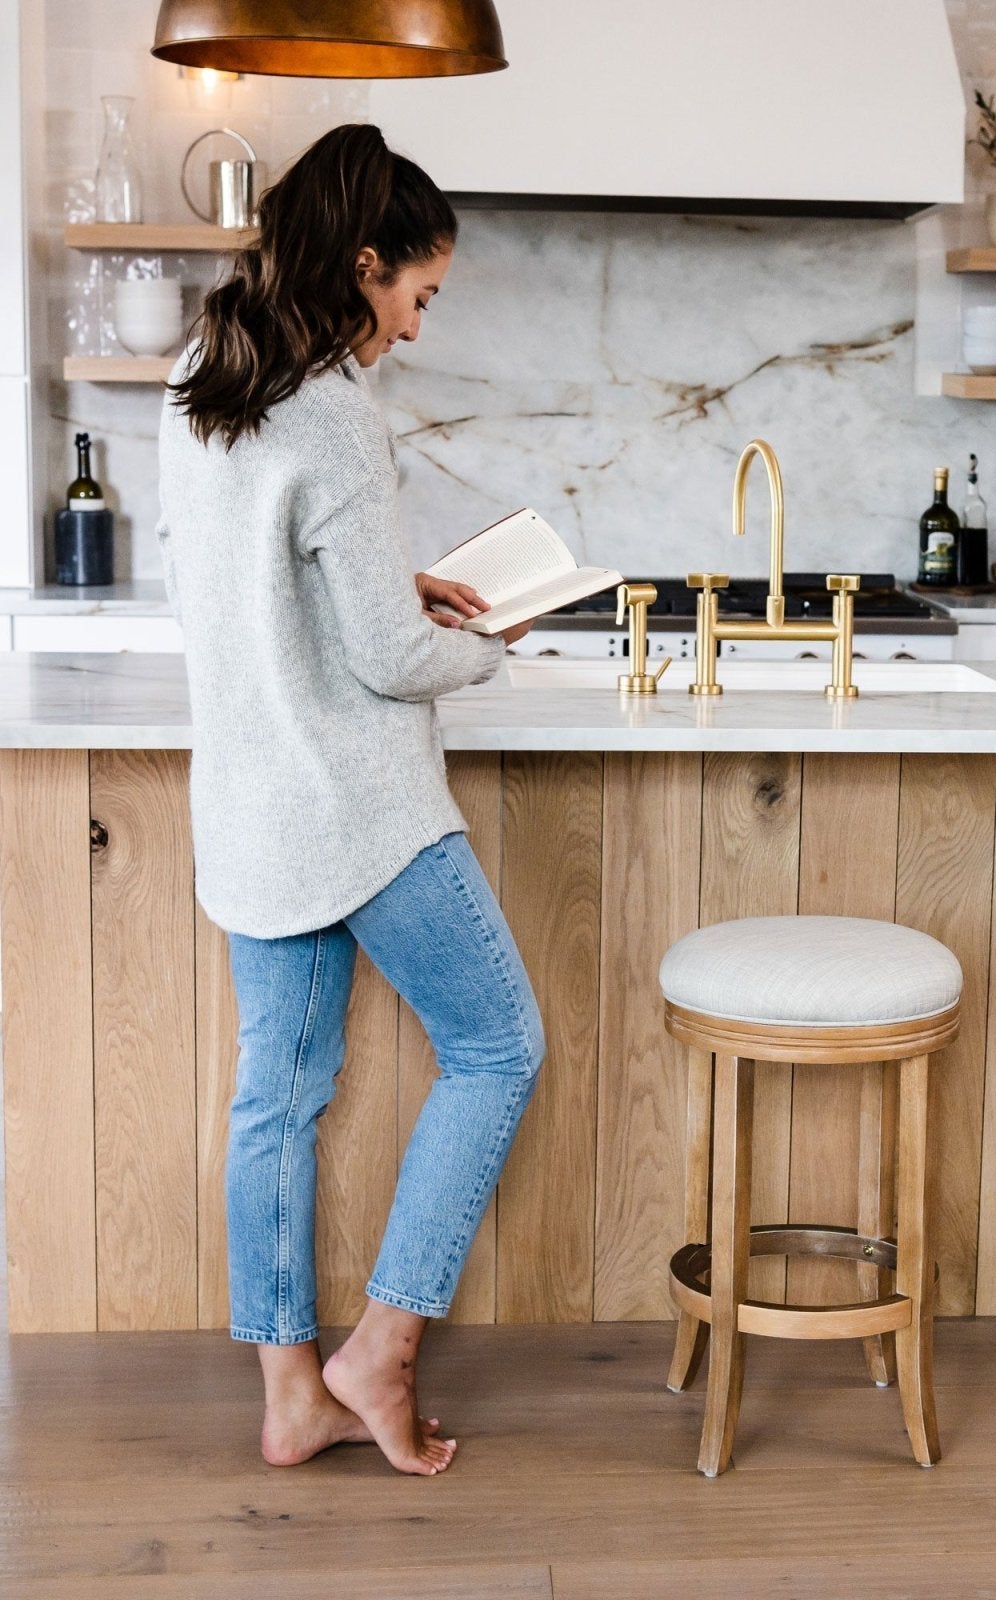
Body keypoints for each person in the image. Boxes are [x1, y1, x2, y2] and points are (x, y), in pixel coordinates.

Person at [156, 123, 545, 1477]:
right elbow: (386, 659)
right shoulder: (332, 406)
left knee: (279, 1094)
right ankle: (378, 1350)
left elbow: (268, 590)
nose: (419, 329)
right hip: (360, 810)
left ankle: (289, 1391)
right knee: (499, 1047)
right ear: (366, 265)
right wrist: (503, 639)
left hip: (253, 806)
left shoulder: (199, 377)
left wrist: (397, 581)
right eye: (419, 297)